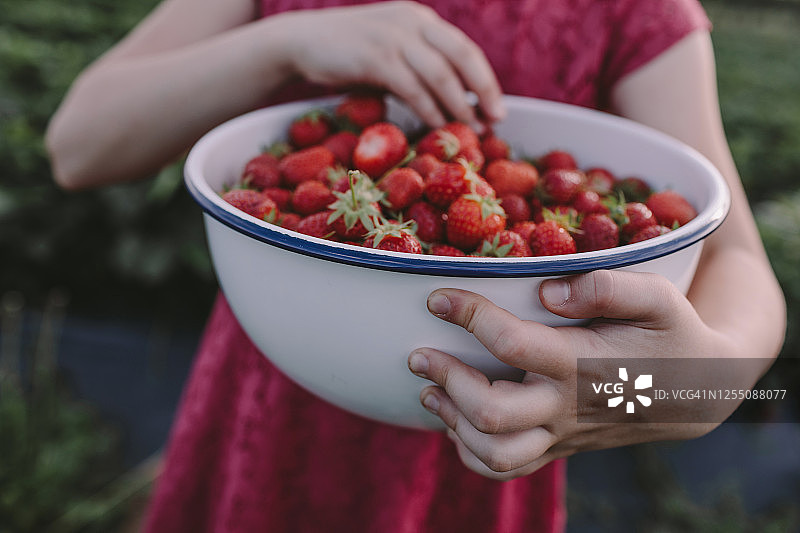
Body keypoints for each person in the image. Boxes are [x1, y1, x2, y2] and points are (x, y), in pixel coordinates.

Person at [46, 0, 786, 531]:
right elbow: (77, 145)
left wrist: (677, 394)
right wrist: (284, 42)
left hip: (488, 440)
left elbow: (736, 266)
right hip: (265, 399)